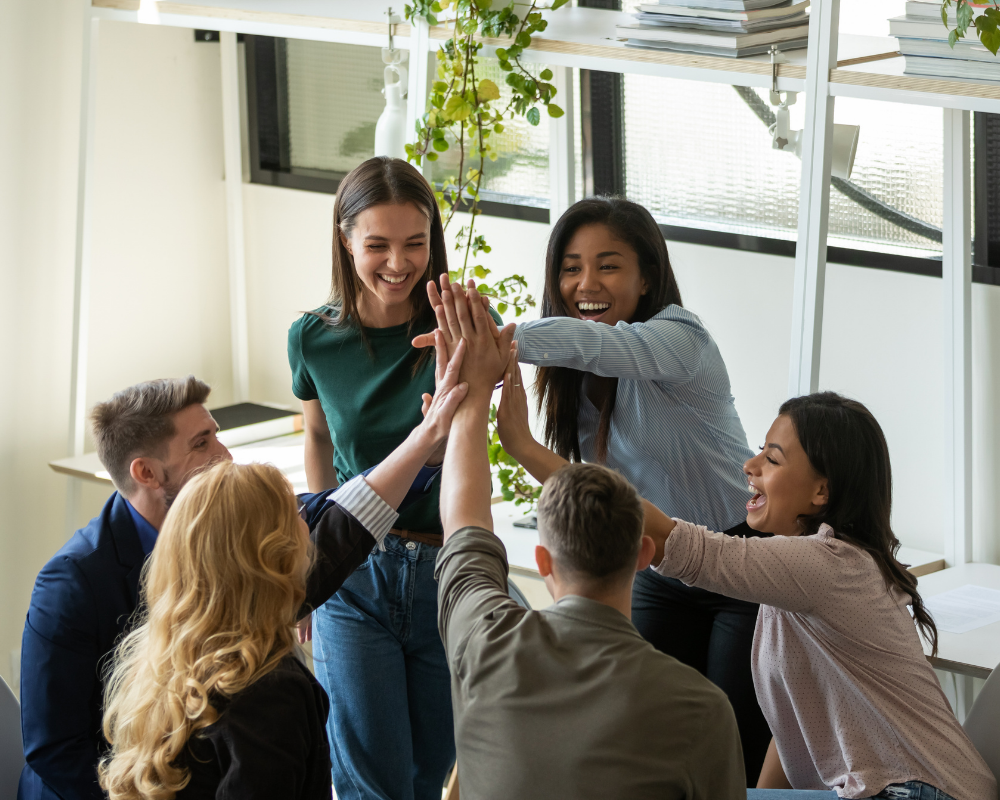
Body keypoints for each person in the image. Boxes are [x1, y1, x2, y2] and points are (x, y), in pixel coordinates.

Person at [415, 196, 770, 781]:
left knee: (731, 731)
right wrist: (522, 444)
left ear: (646, 275)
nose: (586, 283)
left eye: (608, 265)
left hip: (737, 557)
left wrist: (499, 342)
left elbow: (613, 347)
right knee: (647, 730)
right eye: (571, 267)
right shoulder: (575, 381)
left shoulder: (681, 336)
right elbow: (605, 493)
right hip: (655, 560)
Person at [98, 340, 471, 800]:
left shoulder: (168, 659)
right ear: (266, 561)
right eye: (292, 519)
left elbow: (343, 515)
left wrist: (428, 440)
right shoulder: (272, 695)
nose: (307, 526)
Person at [648, 393, 996, 800]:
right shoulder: (797, 572)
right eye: (760, 452)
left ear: (821, 492)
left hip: (916, 791)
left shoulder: (827, 562)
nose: (750, 466)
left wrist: (570, 480)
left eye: (772, 460)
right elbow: (798, 726)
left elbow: (683, 546)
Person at [287, 156, 500, 799]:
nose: (398, 263)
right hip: (355, 568)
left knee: (431, 771)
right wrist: (314, 562)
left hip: (442, 570)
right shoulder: (312, 339)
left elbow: (471, 446)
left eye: (415, 243)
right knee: (369, 781)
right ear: (345, 240)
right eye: (377, 244)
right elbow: (320, 438)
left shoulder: (460, 321)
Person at [18, 377, 231, 800]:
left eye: (216, 437)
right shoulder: (70, 583)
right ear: (146, 473)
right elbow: (57, 751)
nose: (225, 456)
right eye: (201, 443)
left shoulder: (217, 532)